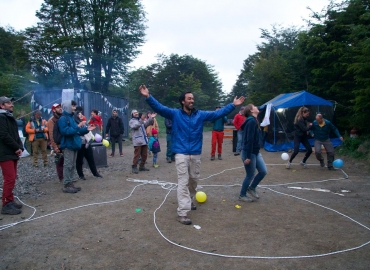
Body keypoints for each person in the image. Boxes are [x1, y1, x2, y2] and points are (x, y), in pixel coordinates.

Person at [139, 85, 245, 225]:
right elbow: (160, 108)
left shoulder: (200, 115)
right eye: (189, 98)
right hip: (181, 153)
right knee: (183, 182)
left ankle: (189, 200)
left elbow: (216, 114)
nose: (192, 101)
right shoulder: (175, 114)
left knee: (194, 180)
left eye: (192, 99)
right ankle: (183, 212)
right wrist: (148, 96)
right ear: (183, 101)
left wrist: (233, 105)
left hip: (195, 153)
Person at [58, 100, 95, 193]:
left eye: (74, 106)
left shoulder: (71, 118)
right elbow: (65, 131)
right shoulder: (63, 119)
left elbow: (77, 131)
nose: (74, 108)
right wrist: (78, 126)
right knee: (68, 165)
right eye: (73, 106)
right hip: (68, 145)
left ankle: (70, 183)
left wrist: (86, 129)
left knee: (72, 165)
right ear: (67, 107)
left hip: (74, 145)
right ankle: (67, 185)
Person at [0, 96, 24, 215]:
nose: (12, 104)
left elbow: (16, 135)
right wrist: (16, 147)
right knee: (9, 178)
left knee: (13, 177)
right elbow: (4, 135)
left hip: (11, 152)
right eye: (8, 103)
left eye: (11, 102)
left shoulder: (8, 117)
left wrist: (20, 147)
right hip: (5, 153)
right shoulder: (1, 117)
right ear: (2, 106)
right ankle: (6, 204)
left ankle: (10, 200)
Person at [239, 104, 267, 202]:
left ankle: (252, 188)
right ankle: (242, 195)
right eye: (255, 106)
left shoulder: (254, 120)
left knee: (263, 171)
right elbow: (249, 140)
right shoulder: (251, 122)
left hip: (255, 151)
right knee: (250, 175)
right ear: (251, 111)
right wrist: (247, 156)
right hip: (249, 152)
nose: (257, 107)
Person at [74, 110, 102, 180]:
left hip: (87, 143)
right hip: (80, 144)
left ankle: (95, 173)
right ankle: (81, 175)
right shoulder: (75, 124)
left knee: (91, 159)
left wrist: (90, 127)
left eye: (81, 114)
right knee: (79, 160)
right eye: (79, 114)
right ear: (76, 115)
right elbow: (77, 132)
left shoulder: (84, 123)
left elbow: (88, 131)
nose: (81, 115)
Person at [129, 109, 155, 174]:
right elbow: (136, 126)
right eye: (134, 113)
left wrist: (151, 118)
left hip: (144, 140)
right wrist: (141, 120)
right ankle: (134, 167)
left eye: (137, 112)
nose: (136, 113)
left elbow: (146, 124)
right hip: (137, 141)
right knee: (137, 155)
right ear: (132, 114)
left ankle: (142, 166)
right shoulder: (132, 121)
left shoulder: (140, 120)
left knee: (144, 155)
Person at [47, 103, 64, 183]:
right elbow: (51, 134)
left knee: (66, 161)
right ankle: (61, 178)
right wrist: (55, 147)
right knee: (59, 162)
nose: (60, 108)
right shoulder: (51, 121)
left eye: (60, 107)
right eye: (58, 108)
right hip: (58, 144)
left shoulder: (63, 118)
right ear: (54, 110)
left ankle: (67, 177)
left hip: (65, 143)